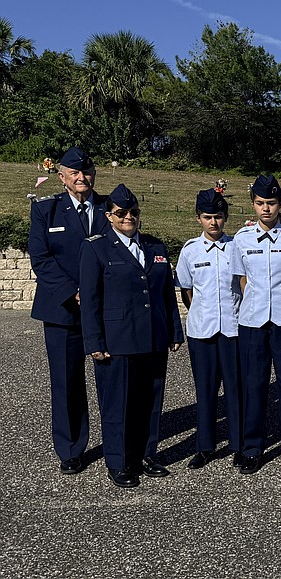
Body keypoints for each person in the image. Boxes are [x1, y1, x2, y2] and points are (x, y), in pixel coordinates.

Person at [80, 184, 183, 488]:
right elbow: (91, 299)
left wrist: (175, 330)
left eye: (133, 212)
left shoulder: (155, 247)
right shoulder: (96, 247)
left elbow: (166, 294)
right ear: (108, 216)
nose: (128, 218)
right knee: (118, 404)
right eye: (121, 213)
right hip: (118, 340)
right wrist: (95, 342)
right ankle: (118, 462)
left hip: (153, 337)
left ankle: (145, 456)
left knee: (150, 401)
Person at [28, 147, 111, 475]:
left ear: (93, 175)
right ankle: (72, 448)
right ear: (61, 177)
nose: (81, 178)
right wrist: (73, 292)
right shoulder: (46, 210)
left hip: (105, 308)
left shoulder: (111, 207)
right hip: (63, 310)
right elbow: (41, 258)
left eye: (86, 172)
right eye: (74, 173)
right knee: (66, 381)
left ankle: (118, 444)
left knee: (112, 378)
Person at [230, 175, 281, 476]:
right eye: (261, 203)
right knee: (254, 386)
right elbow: (241, 280)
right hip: (252, 321)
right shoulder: (241, 239)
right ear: (253, 204)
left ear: (280, 204)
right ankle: (252, 449)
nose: (266, 209)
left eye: (272, 203)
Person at [176, 189, 242, 469]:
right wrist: (201, 315)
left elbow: (243, 285)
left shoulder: (236, 247)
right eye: (207, 217)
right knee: (205, 391)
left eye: (217, 217)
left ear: (225, 218)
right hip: (202, 330)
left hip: (233, 328)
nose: (213, 223)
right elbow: (187, 291)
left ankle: (240, 444)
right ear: (198, 219)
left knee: (237, 390)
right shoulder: (190, 251)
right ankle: (205, 446)